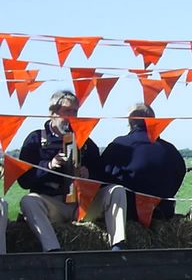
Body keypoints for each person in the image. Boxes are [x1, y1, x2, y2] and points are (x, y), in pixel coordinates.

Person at [18, 90, 128, 251]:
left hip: (83, 204)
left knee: (116, 191)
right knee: (28, 201)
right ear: (53, 113)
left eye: (75, 111)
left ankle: (118, 246)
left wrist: (89, 174)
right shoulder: (35, 139)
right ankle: (53, 250)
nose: (72, 116)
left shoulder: (85, 140)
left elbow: (102, 173)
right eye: (67, 111)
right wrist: (49, 166)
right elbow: (23, 180)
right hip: (53, 204)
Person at [101, 103, 186, 224]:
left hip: (126, 214)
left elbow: (101, 176)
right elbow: (180, 173)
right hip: (162, 213)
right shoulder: (170, 150)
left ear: (131, 122)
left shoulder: (119, 145)